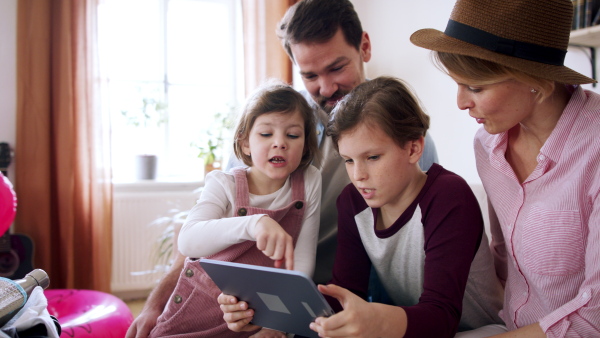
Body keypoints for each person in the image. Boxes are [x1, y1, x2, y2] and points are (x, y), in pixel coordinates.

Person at [126, 0, 439, 336]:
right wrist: (156, 305)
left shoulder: (409, 143)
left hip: (338, 302)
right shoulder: (276, 128)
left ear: (364, 47)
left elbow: (411, 250)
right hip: (248, 298)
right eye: (310, 75)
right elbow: (204, 228)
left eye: (336, 68)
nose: (326, 87)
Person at [221, 76, 504, 337]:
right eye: (349, 160)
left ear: (414, 148)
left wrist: (374, 321)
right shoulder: (353, 202)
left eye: (372, 157)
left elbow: (443, 316)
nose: (358, 175)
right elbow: (345, 295)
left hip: (477, 330)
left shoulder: (448, 196)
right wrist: (275, 320)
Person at [410, 0, 600, 336]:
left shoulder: (594, 149)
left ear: (536, 81)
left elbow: (594, 315)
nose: (461, 103)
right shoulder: (488, 145)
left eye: (476, 88)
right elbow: (503, 259)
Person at [147, 81, 322, 337]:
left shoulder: (310, 180)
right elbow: (188, 241)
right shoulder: (223, 183)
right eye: (266, 134)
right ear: (245, 142)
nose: (280, 143)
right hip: (196, 312)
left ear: (306, 145)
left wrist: (277, 326)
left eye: (292, 135)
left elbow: (301, 265)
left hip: (254, 315)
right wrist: (254, 223)